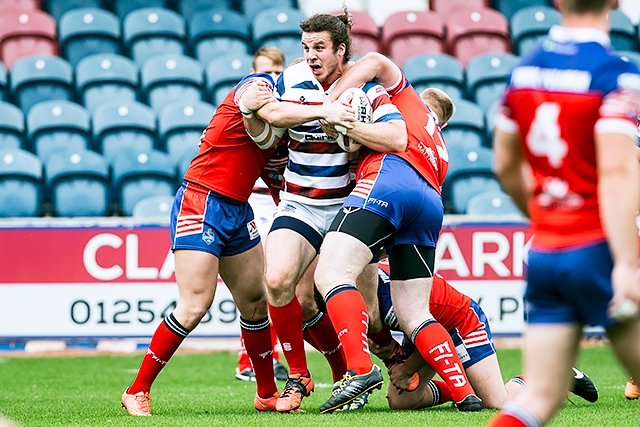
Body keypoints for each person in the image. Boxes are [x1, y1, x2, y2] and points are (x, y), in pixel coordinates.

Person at [120, 71, 355, 416]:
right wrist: (326, 110)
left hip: (237, 208)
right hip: (201, 200)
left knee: (256, 302)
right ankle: (137, 390)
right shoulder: (258, 84)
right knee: (196, 304)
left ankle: (265, 393)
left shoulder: (283, 138)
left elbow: (282, 187)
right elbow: (264, 109)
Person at [239, 9, 407, 413]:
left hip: (350, 208)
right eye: (305, 47)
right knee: (277, 281)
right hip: (299, 202)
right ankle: (299, 376)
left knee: (370, 315)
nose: (310, 55)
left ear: (341, 50)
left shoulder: (366, 90)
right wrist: (251, 113)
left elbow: (397, 137)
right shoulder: (292, 80)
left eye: (319, 48)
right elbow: (266, 134)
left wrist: (350, 128)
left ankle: (395, 363)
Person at [487, 0, 640, 425]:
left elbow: (504, 164)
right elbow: (616, 170)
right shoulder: (615, 73)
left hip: (547, 251)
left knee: (538, 396)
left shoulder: (525, 70)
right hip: (597, 249)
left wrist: (544, 218)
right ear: (614, 2)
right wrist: (627, 263)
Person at [313, 49, 484, 414]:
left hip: (389, 182)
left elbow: (374, 60)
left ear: (424, 102)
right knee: (415, 312)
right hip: (429, 204)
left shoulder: (405, 101)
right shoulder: (442, 147)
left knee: (330, 272)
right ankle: (462, 393)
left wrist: (331, 104)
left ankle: (359, 370)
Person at [369, 261, 598, 410]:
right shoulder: (367, 281)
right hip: (424, 327)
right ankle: (467, 388)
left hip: (461, 323)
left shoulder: (385, 297)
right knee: (401, 401)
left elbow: (436, 338)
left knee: (498, 403)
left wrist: (406, 369)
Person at [236, 45, 288, 383]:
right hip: (254, 200)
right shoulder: (248, 103)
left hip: (280, 197)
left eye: (273, 70)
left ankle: (262, 359)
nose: (266, 77)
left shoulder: (287, 101)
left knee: (277, 281)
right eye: (261, 70)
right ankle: (251, 360)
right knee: (260, 282)